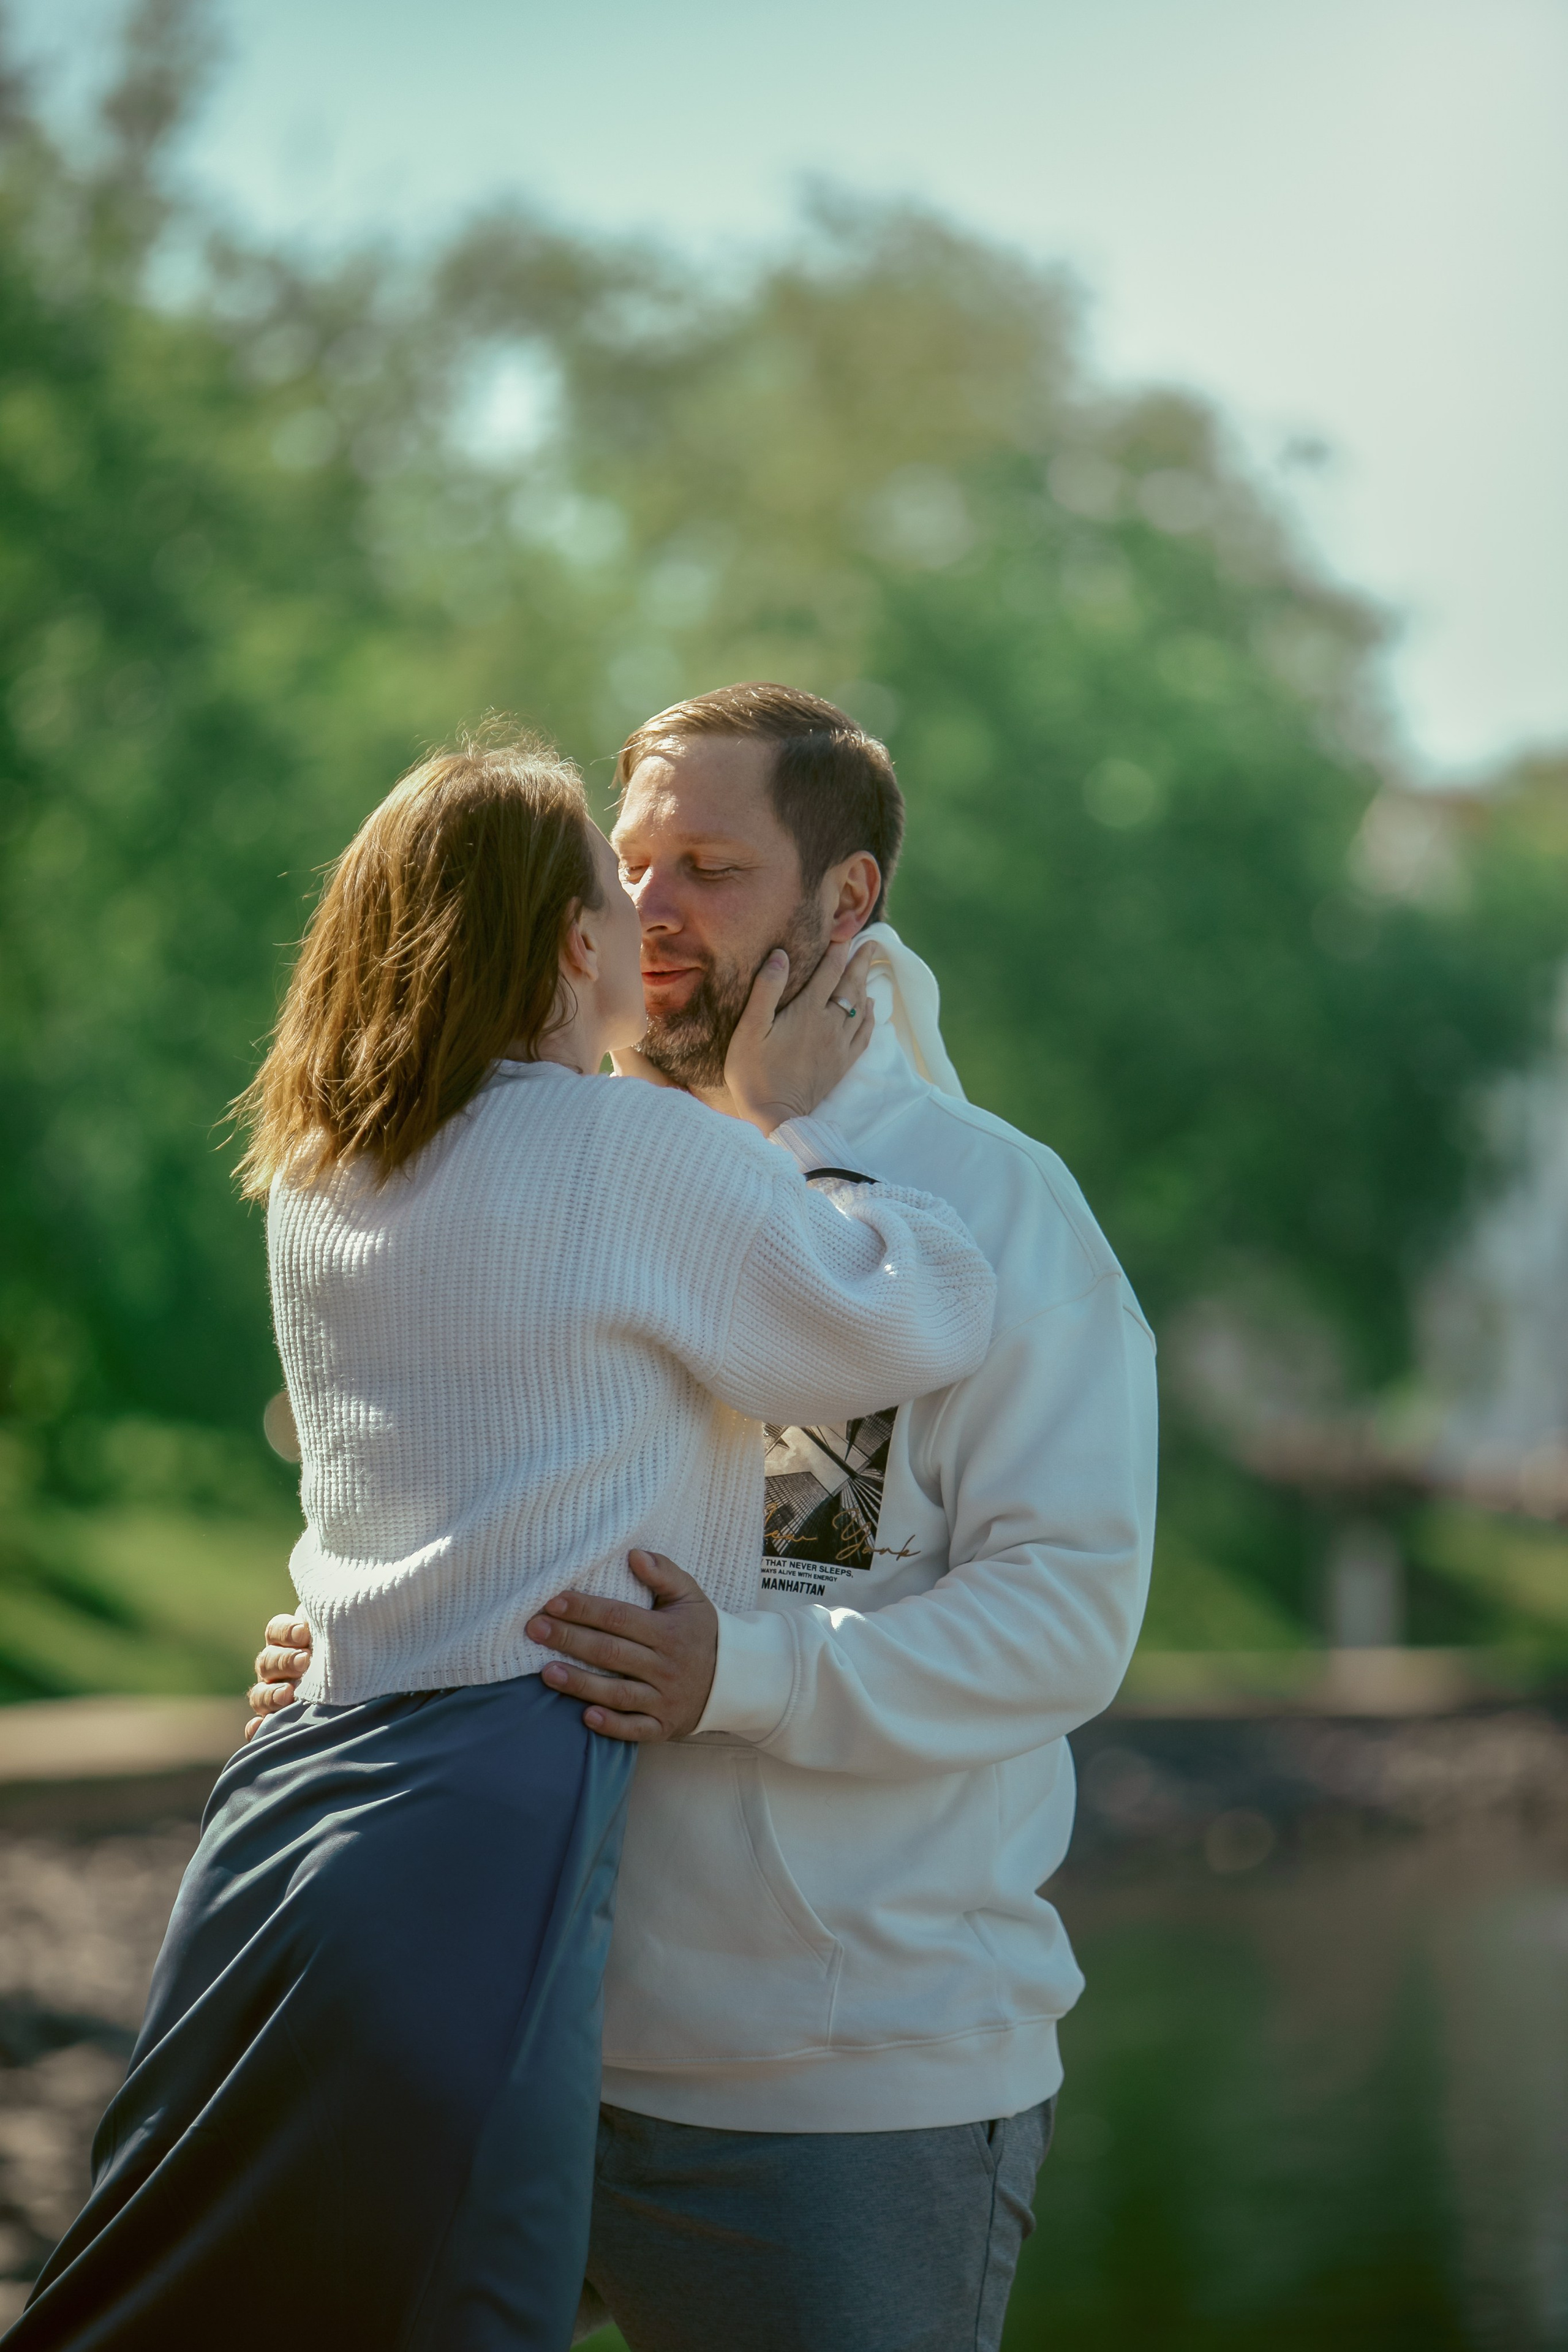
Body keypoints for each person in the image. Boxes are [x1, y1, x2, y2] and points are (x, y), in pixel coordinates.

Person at [9, 733, 997, 2352]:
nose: (653, 917)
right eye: (623, 887)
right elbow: (912, 1319)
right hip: (492, 1824)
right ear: (566, 941)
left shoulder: (326, 1168)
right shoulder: (628, 1154)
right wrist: (802, 1117)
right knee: (466, 2301)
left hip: (284, 1801)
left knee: (186, 2300)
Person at [252, 685, 1159, 2352]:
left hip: (826, 2093)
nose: (655, 911)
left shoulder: (992, 1211)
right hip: (496, 2031)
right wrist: (366, 1636)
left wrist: (739, 1675)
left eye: (715, 869)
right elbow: (463, 1469)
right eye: (636, 861)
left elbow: (1069, 1613)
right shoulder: (556, 1152)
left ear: (846, 905)